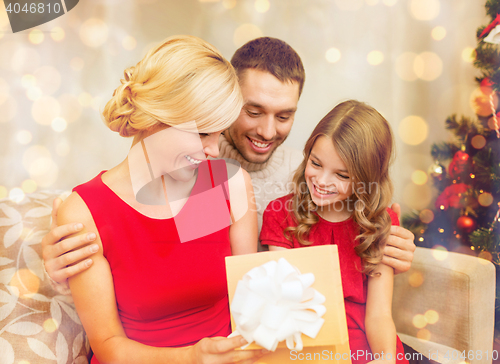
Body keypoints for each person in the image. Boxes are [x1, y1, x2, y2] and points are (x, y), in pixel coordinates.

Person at [42, 37, 415, 290]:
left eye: (284, 116)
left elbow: (358, 227)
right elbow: (157, 251)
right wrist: (59, 253)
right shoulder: (187, 165)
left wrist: (393, 243)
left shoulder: (310, 178)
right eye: (253, 111)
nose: (267, 131)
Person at [56, 35, 264, 364]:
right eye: (202, 133)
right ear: (155, 119)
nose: (214, 150)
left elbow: (248, 305)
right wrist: (193, 358)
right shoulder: (85, 211)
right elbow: (109, 345)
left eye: (220, 133)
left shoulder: (225, 185)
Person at [260, 100, 408, 364]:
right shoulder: (281, 214)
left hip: (365, 347)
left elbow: (379, 315)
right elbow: (285, 307)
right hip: (306, 345)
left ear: (366, 179)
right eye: (316, 164)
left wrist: (385, 358)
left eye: (341, 175)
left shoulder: (381, 222)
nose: (322, 182)